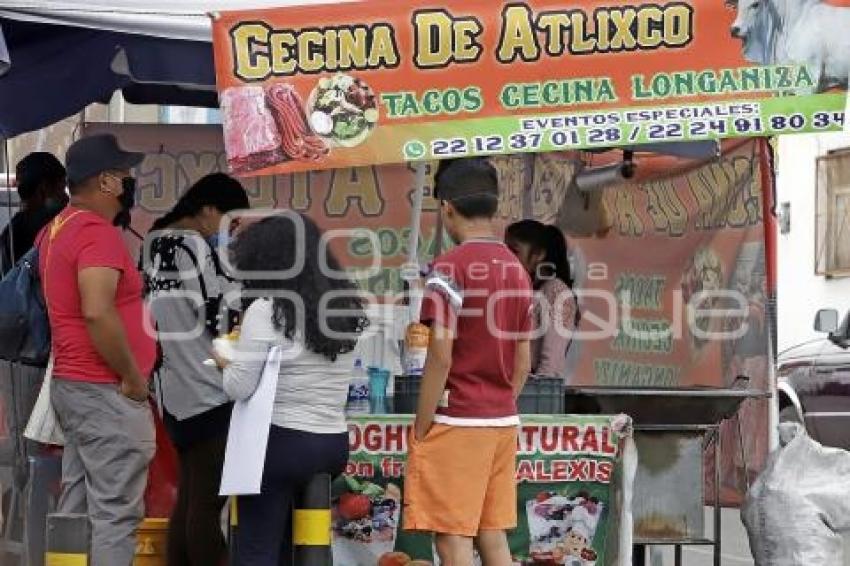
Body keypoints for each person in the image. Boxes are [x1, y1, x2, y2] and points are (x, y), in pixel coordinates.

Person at [215, 213, 368, 566]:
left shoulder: (265, 311)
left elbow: (239, 386)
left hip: (280, 443)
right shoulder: (342, 307)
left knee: (257, 548)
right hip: (332, 444)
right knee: (297, 545)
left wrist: (225, 359)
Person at [404, 158, 533, 565]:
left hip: (458, 421)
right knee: (491, 534)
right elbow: (523, 362)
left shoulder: (448, 269)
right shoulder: (518, 270)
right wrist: (498, 401)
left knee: (451, 538)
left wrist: (422, 425)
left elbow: (440, 356)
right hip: (501, 420)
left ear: (446, 207)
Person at [41, 134, 157, 566]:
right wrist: (131, 376)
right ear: (108, 182)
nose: (130, 182)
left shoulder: (58, 229)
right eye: (126, 175)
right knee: (114, 514)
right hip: (105, 387)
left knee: (79, 506)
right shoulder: (97, 234)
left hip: (75, 385)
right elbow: (96, 310)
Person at [143, 173, 249, 566]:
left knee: (190, 499)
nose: (232, 231)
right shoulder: (190, 247)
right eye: (231, 220)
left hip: (174, 392)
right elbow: (220, 314)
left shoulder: (156, 245)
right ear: (207, 210)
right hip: (208, 388)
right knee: (206, 505)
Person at [505, 220, 579, 378]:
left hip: (531, 391)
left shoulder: (555, 291)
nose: (507, 257)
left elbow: (551, 365)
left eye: (514, 251)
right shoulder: (526, 288)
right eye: (505, 250)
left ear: (539, 254)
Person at [0, 151, 68, 274]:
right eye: (61, 189)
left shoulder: (12, 230)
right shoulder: (47, 229)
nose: (66, 198)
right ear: (44, 188)